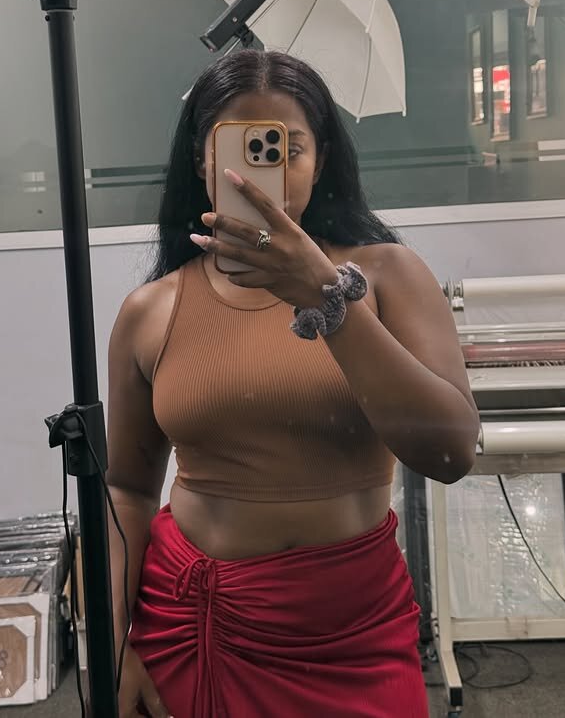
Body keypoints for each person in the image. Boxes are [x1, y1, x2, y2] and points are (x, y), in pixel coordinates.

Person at [106, 49, 480, 718]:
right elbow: (128, 491)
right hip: (192, 627)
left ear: (321, 158)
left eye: (286, 148)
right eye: (238, 148)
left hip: (354, 636)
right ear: (201, 162)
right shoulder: (151, 310)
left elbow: (450, 452)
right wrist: (116, 647)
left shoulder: (387, 276)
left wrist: (328, 299)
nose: (263, 172)